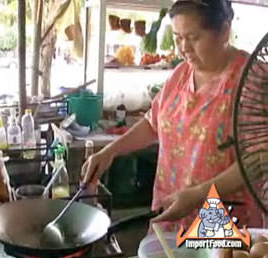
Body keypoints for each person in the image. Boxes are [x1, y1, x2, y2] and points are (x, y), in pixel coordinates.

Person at [82, 0, 263, 231]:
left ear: (224, 31)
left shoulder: (252, 80)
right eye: (178, 38)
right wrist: (110, 151)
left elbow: (258, 160)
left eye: (193, 38)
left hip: (223, 224)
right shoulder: (181, 73)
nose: (183, 48)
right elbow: (152, 123)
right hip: (170, 211)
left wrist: (199, 195)